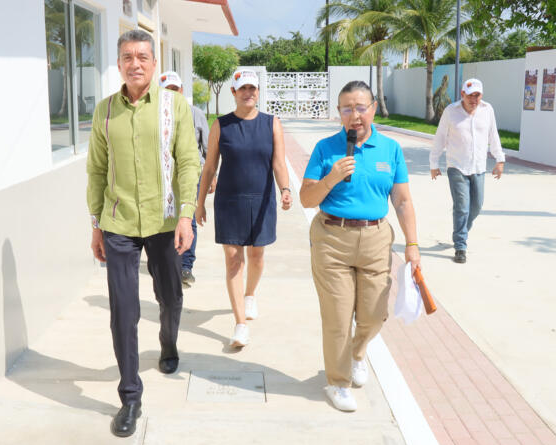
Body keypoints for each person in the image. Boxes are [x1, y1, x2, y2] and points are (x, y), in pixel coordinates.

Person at [86, 30, 200, 437]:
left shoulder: (175, 105)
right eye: (127, 56)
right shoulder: (104, 112)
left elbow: (188, 161)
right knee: (123, 312)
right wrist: (96, 224)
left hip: (166, 221)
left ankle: (168, 342)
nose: (135, 63)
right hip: (118, 223)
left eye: (143, 57)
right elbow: (97, 171)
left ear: (154, 63)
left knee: (169, 296)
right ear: (118, 64)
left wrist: (187, 215)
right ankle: (130, 396)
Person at [299, 80, 421, 412]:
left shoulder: (390, 149)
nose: (355, 115)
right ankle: (338, 382)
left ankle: (356, 353)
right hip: (332, 238)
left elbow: (402, 200)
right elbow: (306, 197)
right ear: (339, 113)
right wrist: (331, 177)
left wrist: (412, 244)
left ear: (373, 109)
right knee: (338, 316)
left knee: (374, 314)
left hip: (376, 238)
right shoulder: (326, 148)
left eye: (360, 107)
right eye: (347, 109)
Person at [195, 69, 292, 348]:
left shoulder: (271, 123)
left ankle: (249, 295)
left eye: (253, 88)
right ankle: (240, 324)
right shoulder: (220, 125)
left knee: (257, 255)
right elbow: (210, 166)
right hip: (229, 201)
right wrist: (200, 203)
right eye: (243, 88)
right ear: (233, 93)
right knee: (233, 259)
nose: (248, 92)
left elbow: (279, 163)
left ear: (258, 92)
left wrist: (285, 190)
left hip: (262, 199)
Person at [429, 78, 505, 264]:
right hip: (456, 166)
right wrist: (433, 163)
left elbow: (493, 135)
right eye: (470, 95)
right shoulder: (451, 112)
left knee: (477, 206)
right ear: (462, 94)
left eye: (477, 95)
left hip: (478, 167)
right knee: (462, 207)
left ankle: (460, 230)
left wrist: (499, 159)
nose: (474, 99)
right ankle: (460, 246)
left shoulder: (487, 110)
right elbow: (440, 137)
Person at [158, 71, 215, 287]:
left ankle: (185, 266)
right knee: (166, 219)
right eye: (167, 90)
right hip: (164, 176)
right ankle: (170, 261)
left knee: (187, 217)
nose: (172, 94)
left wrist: (212, 176)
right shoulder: (155, 117)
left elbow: (209, 148)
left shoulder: (196, 114)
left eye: (175, 89)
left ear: (181, 90)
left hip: (192, 175)